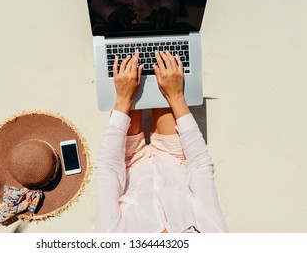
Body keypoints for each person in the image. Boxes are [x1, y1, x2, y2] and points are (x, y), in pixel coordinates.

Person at [96, 51, 228, 232]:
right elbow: (200, 169)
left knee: (130, 69)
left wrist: (123, 100)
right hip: (174, 155)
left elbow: (108, 171)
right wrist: (177, 97)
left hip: (129, 161)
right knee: (164, 60)